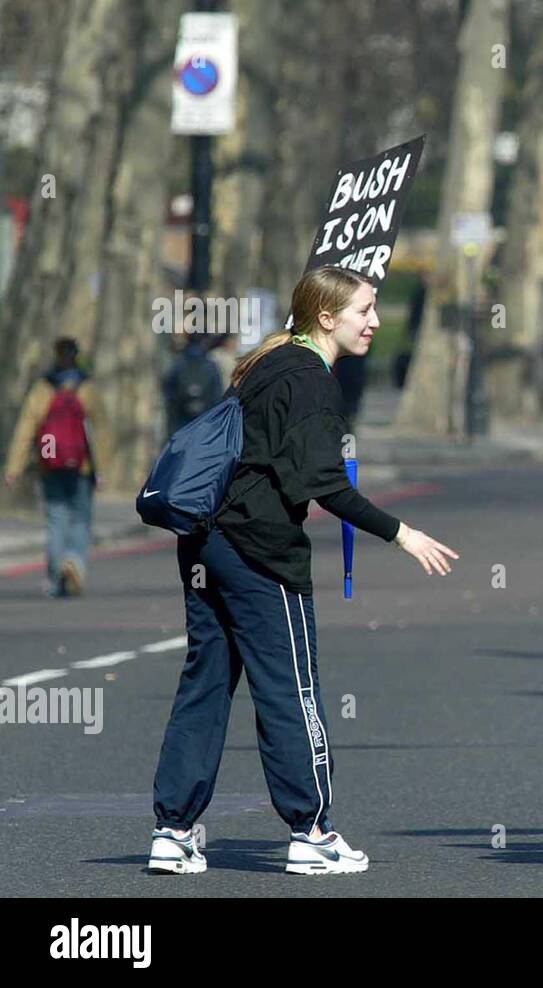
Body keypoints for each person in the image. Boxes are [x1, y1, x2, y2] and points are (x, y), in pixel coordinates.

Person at [148, 266, 460, 877]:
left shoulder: (268, 362)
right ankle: (311, 832)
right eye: (364, 311)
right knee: (292, 690)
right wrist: (402, 534)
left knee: (205, 685)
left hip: (206, 543)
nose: (374, 322)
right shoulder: (311, 381)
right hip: (261, 553)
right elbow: (318, 483)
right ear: (327, 317)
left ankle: (173, 831)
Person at [4, 337, 108, 597]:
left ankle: (55, 577)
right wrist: (103, 469)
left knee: (56, 519)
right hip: (81, 467)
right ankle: (74, 561)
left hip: (50, 466)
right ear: (76, 355)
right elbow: (102, 431)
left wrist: (13, 467)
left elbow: (26, 428)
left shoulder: (43, 388)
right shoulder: (87, 388)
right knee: (81, 520)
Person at [163, 332, 225, 436]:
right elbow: (217, 395)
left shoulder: (178, 364)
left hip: (181, 421)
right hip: (204, 422)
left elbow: (168, 392)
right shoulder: (211, 366)